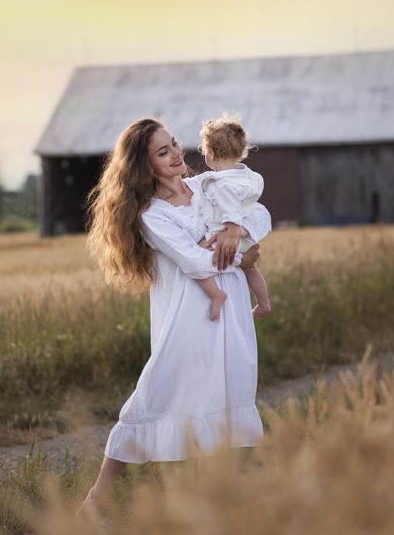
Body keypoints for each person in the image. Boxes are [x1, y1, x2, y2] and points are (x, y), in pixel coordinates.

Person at [78, 117, 270, 521]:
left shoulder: (206, 186)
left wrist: (237, 228)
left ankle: (209, 503)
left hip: (229, 308)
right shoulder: (152, 215)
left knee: (220, 397)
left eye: (174, 145)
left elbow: (262, 213)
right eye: (162, 152)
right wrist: (242, 254)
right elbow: (196, 259)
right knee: (154, 395)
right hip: (186, 316)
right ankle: (98, 497)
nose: (176, 154)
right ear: (144, 167)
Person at [192, 113, 272, 322]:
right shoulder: (249, 176)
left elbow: (232, 214)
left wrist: (231, 236)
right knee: (250, 267)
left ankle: (215, 294)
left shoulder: (222, 185)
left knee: (196, 252)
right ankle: (263, 303)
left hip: (226, 235)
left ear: (211, 154)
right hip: (246, 235)